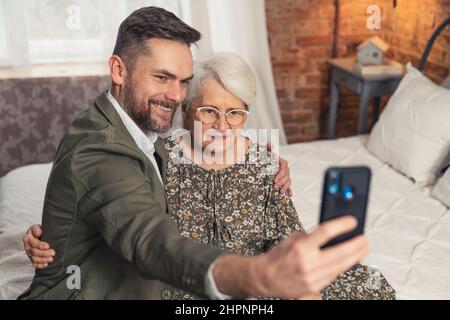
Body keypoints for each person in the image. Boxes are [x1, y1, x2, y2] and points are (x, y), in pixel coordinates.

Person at [19, 6, 369, 300]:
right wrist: (260, 275)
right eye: (161, 77)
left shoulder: (149, 138)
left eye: (183, 81)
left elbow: (103, 200)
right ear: (118, 70)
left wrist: (62, 232)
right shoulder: (127, 150)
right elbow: (148, 238)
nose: (175, 95)